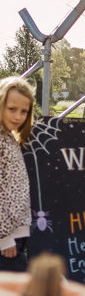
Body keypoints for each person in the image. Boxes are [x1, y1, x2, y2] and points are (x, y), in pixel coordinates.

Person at [0, 76, 35, 271]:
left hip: (16, 233)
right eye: (12, 109)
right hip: (5, 239)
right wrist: (4, 238)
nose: (18, 116)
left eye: (24, 111)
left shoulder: (9, 138)